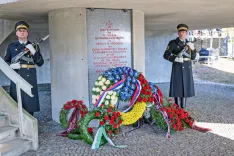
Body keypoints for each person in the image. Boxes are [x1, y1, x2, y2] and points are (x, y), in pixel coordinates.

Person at [4, 21, 44, 116]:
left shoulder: (34, 46)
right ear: (16, 33)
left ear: (27, 33)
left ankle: (30, 121)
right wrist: (11, 66)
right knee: (16, 99)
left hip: (30, 76)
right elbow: (6, 62)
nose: (22, 32)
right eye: (20, 31)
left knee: (30, 100)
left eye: (24, 30)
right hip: (16, 75)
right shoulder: (11, 46)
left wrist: (33, 51)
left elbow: (40, 63)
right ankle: (18, 122)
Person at [163, 24, 196, 109]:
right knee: (177, 87)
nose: (182, 33)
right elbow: (166, 55)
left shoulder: (189, 44)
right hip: (177, 67)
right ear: (178, 33)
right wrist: (175, 59)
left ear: (186, 33)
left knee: (185, 87)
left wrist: (193, 49)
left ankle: (183, 108)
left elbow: (192, 57)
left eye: (184, 32)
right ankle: (177, 108)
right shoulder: (173, 43)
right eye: (180, 32)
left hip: (187, 67)